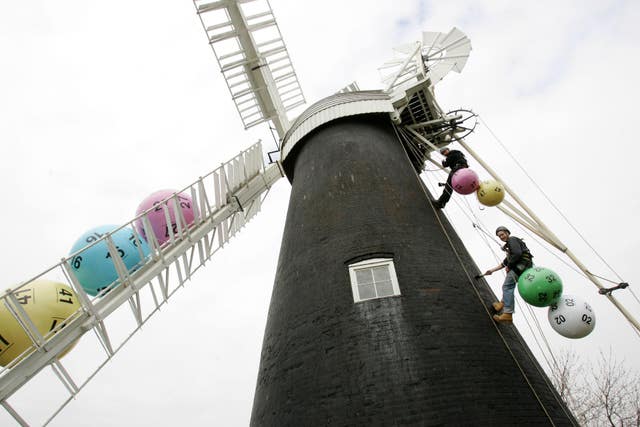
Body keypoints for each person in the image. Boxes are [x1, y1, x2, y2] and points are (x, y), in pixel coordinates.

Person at [483, 226, 533, 323]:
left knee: (507, 287)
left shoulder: (512, 239)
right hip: (524, 266)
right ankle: (502, 304)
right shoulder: (511, 247)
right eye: (499, 236)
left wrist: (509, 266)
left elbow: (517, 254)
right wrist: (492, 270)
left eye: (502, 234)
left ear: (507, 233)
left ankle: (508, 313)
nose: (501, 237)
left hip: (520, 266)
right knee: (509, 286)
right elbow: (505, 262)